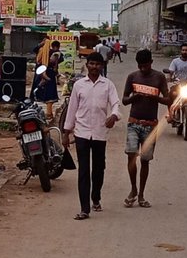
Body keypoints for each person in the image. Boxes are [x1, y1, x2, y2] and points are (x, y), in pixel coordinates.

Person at [63, 53, 119, 220]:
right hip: (82, 132)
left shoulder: (108, 85)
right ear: (87, 65)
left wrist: (114, 116)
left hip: (100, 133)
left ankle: (96, 197)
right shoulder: (79, 85)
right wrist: (66, 132)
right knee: (84, 170)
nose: (95, 67)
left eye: (98, 64)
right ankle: (84, 208)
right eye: (92, 63)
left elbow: (115, 103)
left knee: (99, 168)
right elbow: (72, 109)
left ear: (102, 66)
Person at [121, 49, 172, 208]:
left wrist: (155, 98)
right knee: (131, 155)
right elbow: (124, 100)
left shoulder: (159, 77)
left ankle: (141, 194)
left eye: (145, 65)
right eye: (140, 66)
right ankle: (133, 189)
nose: (143, 69)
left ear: (151, 62)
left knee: (145, 160)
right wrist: (134, 97)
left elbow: (168, 99)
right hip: (134, 123)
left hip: (150, 125)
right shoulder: (132, 77)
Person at [33, 51, 61, 120]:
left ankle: (49, 114)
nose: (53, 59)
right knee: (48, 99)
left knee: (50, 100)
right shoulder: (45, 65)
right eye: (53, 58)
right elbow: (44, 74)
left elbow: (54, 72)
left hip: (51, 84)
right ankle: (49, 113)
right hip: (48, 84)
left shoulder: (52, 66)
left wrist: (56, 62)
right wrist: (48, 79)